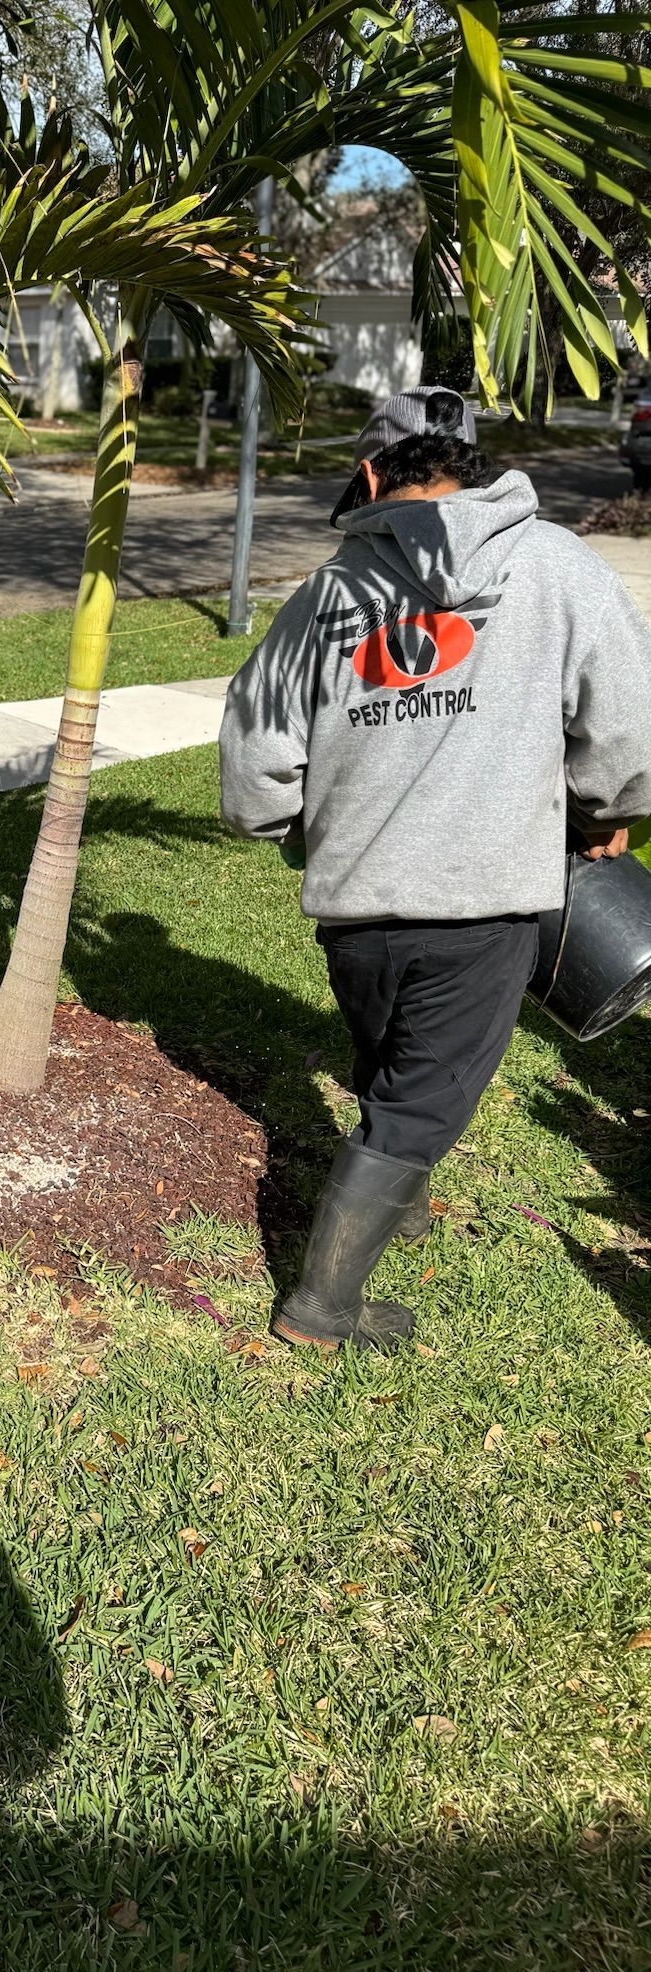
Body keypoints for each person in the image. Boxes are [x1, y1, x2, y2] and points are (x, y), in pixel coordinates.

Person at [219, 386, 651, 1351]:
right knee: (420, 1100)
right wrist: (605, 811)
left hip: (357, 911)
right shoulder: (555, 565)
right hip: (483, 906)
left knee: (392, 1059)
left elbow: (256, 753)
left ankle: (397, 1203)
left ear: (373, 476)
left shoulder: (328, 594)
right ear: (471, 464)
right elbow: (628, 723)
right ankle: (322, 1308)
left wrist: (285, 829)